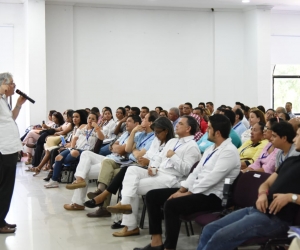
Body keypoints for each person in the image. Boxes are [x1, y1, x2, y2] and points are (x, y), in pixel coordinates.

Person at [133, 114, 240, 250]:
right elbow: (195, 172)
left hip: (213, 196)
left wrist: (188, 193)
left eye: (210, 128)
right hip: (199, 191)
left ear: (217, 133)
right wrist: (181, 190)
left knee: (172, 205)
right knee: (152, 196)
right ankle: (156, 242)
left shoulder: (229, 151)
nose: (206, 130)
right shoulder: (211, 149)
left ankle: (169, 247)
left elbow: (212, 179)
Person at [197, 124, 300, 250]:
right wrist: (262, 194)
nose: (294, 140)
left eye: (298, 136)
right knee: (209, 229)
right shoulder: (291, 161)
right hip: (257, 209)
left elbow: (291, 197)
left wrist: (291, 197)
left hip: (276, 219)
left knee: (220, 237)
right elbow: (266, 183)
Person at [107, 115, 201, 237]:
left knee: (132, 186)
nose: (176, 125)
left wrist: (173, 156)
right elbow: (159, 157)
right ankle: (125, 205)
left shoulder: (192, 146)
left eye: (181, 124)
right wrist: (154, 167)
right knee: (131, 170)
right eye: (177, 123)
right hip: (160, 173)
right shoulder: (173, 141)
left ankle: (130, 226)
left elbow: (187, 171)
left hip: (172, 179)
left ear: (188, 129)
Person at [62, 115, 142, 212]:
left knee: (85, 171)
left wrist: (116, 148)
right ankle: (79, 180)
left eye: (129, 121)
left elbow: (121, 150)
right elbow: (112, 146)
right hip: (110, 157)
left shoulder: (137, 135)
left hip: (116, 162)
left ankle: (77, 203)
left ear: (136, 124)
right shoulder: (125, 133)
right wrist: (115, 148)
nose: (126, 123)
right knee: (86, 155)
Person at [44, 112, 104, 188]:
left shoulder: (98, 130)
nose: (90, 120)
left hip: (86, 151)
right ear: (87, 119)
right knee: (58, 158)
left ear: (96, 120)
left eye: (93, 119)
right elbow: (75, 139)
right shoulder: (82, 126)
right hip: (75, 148)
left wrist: (96, 127)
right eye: (89, 118)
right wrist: (72, 147)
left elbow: (102, 138)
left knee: (73, 154)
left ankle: (57, 165)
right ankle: (54, 180)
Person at [0, 72, 26, 234]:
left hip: (9, 148)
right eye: (12, 83)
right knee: (3, 186)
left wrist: (18, 104)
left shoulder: (3, 100)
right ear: (3, 83)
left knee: (6, 187)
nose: (14, 86)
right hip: (2, 148)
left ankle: (1, 219)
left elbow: (10, 119)